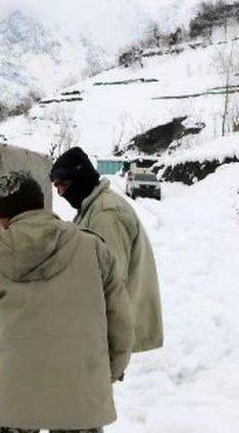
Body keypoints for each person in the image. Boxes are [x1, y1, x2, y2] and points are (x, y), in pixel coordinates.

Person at [0, 171, 132, 433]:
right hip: (80, 391)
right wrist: (106, 375)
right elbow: (120, 324)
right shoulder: (92, 247)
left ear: (3, 218)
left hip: (16, 394)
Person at [49, 147, 163, 353]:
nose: (61, 193)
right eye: (57, 187)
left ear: (81, 177)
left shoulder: (106, 214)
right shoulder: (92, 208)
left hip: (110, 328)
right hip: (103, 325)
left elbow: (111, 280)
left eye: (64, 185)